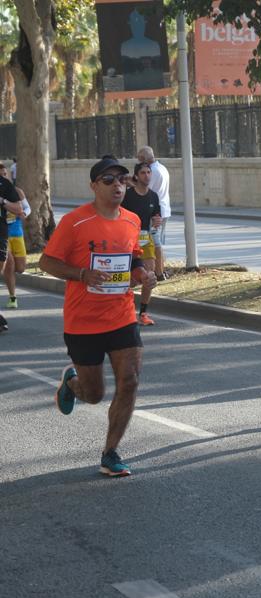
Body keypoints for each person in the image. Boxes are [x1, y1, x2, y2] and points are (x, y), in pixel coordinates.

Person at [39, 157, 158, 476]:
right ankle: (72, 382)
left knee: (130, 381)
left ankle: (111, 452)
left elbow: (133, 258)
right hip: (83, 322)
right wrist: (80, 273)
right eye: (109, 180)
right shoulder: (75, 222)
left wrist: (143, 275)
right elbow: (46, 263)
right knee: (94, 396)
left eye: (123, 179)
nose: (118, 185)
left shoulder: (132, 220)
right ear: (94, 186)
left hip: (121, 316)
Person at [121, 162, 161, 325]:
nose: (147, 175)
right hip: (127, 240)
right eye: (143, 173)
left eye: (149, 172)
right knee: (129, 278)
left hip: (146, 240)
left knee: (149, 276)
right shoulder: (128, 196)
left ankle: (143, 314)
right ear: (136, 176)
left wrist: (156, 220)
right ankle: (123, 308)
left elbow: (156, 215)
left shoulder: (153, 196)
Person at [136, 147, 171, 280]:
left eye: (139, 159)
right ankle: (160, 269)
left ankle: (158, 272)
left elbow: (144, 190)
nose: (138, 162)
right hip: (163, 208)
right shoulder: (161, 167)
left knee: (154, 242)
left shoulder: (152, 171)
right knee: (158, 241)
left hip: (155, 211)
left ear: (144, 159)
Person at [0, 163, 30, 309]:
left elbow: (26, 208)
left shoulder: (17, 191)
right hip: (3, 234)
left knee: (21, 268)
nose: (3, 177)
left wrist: (24, 213)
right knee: (9, 264)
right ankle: (13, 298)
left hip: (16, 232)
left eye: (5, 174)